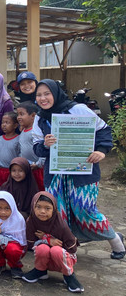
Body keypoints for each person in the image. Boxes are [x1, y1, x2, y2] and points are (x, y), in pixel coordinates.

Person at [32, 79, 125, 259]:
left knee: (85, 209)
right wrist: (45, 145)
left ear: (56, 93)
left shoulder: (78, 109)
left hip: (82, 172)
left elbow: (103, 130)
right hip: (55, 174)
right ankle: (67, 248)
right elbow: (36, 147)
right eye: (38, 95)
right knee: (58, 212)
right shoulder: (40, 117)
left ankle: (116, 241)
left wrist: (101, 150)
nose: (42, 98)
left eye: (46, 93)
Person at [22, 192, 84, 293]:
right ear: (33, 206)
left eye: (47, 208)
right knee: (42, 248)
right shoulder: (31, 221)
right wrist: (47, 240)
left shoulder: (61, 225)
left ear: (54, 209)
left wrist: (49, 239)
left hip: (64, 258)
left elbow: (72, 248)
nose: (42, 211)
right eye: (38, 207)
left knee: (56, 250)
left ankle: (69, 275)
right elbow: (30, 243)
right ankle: (40, 270)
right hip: (46, 258)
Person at [16, 101, 45, 191]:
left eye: (22, 114)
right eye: (18, 114)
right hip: (28, 169)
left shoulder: (36, 132)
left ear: (33, 116)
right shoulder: (23, 131)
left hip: (38, 170)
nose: (19, 117)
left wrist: (38, 164)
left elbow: (43, 149)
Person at [0, 112, 21, 185]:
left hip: (12, 173)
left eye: (7, 123)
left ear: (15, 125)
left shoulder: (18, 140)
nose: (4, 125)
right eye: (3, 122)